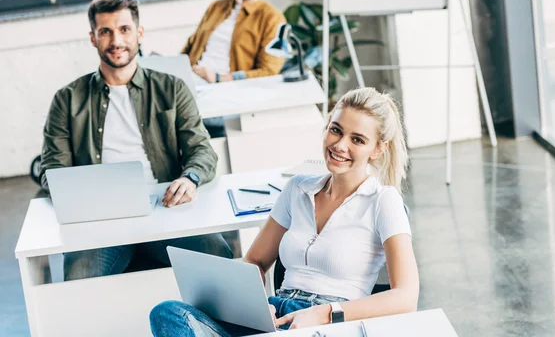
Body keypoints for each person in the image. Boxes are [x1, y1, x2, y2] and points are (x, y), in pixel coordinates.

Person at [149, 87, 420, 336]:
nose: (339, 145)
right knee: (168, 314)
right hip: (275, 314)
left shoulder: (384, 200)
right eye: (336, 130)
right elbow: (255, 260)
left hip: (333, 322)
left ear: (378, 149)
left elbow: (406, 297)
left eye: (358, 140)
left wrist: (324, 314)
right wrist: (252, 302)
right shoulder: (297, 188)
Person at [40, 0, 233, 281]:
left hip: (165, 209)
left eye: (124, 30)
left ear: (139, 34)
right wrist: (81, 197)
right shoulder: (67, 100)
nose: (116, 41)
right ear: (93, 37)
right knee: (78, 278)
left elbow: (202, 151)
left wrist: (189, 178)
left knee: (217, 255)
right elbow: (52, 170)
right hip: (100, 220)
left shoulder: (172, 88)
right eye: (105, 31)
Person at [182, 0, 287, 138]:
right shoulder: (217, 7)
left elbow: (268, 72)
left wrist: (219, 78)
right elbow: (189, 48)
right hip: (192, 86)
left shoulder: (272, 18)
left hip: (226, 94)